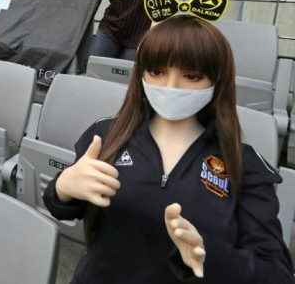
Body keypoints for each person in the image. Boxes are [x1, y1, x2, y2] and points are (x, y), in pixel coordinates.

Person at [43, 15, 294, 282]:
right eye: (157, 72)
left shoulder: (244, 165)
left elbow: (276, 273)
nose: (171, 87)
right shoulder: (106, 136)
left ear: (216, 81)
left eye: (191, 76)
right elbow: (63, 208)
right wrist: (62, 188)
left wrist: (213, 257)